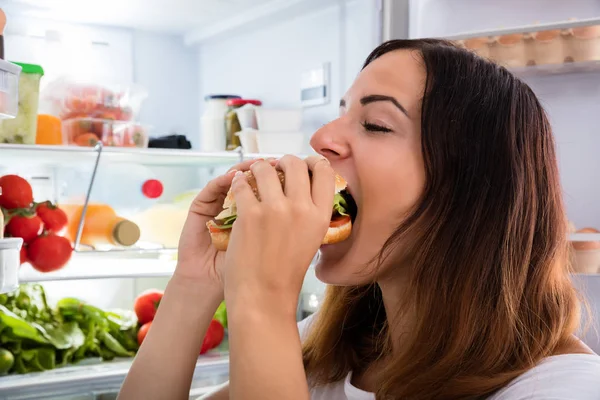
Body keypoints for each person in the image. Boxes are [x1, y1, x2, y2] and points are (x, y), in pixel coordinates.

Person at [118, 39, 600, 400]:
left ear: (471, 189)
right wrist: (194, 284)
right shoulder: (325, 349)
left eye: (375, 125)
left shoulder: (564, 389)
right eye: (340, 115)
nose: (322, 138)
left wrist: (263, 299)